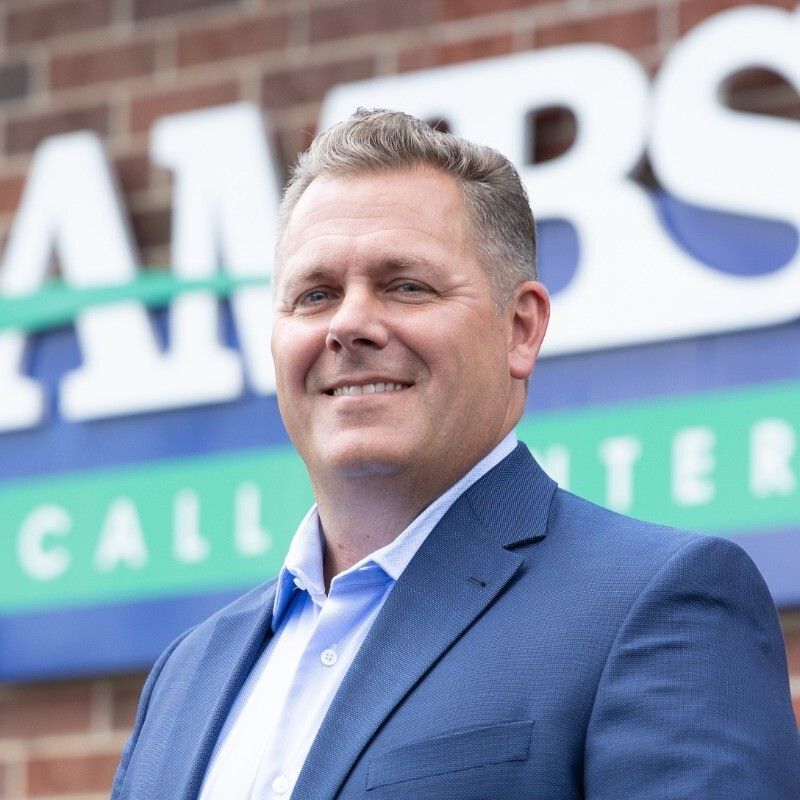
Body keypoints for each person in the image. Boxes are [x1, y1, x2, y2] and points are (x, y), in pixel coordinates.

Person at [111, 109, 800, 800]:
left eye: (406, 285)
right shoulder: (184, 678)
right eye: (315, 295)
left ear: (520, 329)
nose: (349, 324)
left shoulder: (656, 602)